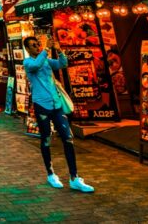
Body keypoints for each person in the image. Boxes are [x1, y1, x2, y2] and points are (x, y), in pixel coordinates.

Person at [23, 35, 94, 193]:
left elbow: (62, 64)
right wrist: (47, 50)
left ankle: (74, 177)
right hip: (41, 104)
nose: (37, 47)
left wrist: (59, 50)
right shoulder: (28, 62)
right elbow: (36, 64)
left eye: (38, 44)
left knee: (68, 137)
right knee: (46, 138)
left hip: (56, 103)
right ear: (27, 49)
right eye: (33, 46)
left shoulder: (46, 59)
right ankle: (50, 173)